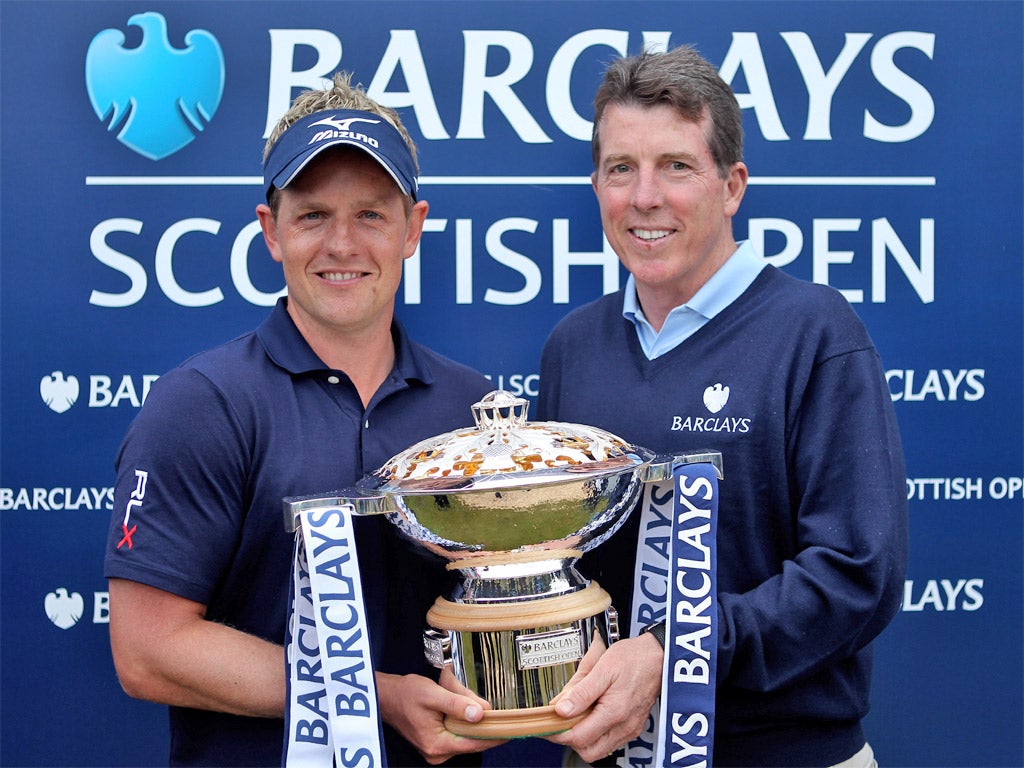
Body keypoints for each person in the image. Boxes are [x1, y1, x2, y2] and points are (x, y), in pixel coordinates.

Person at [104, 72, 504, 767]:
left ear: (413, 227)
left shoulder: (472, 409)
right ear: (272, 231)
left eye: (372, 215)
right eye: (313, 215)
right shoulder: (202, 402)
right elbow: (148, 652)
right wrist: (372, 695)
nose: (341, 244)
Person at [536, 46, 908, 768]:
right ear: (597, 185)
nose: (645, 196)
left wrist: (676, 653)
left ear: (732, 186)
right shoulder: (571, 348)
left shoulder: (815, 332)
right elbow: (558, 558)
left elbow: (858, 572)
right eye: (621, 168)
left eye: (676, 165)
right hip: (607, 753)